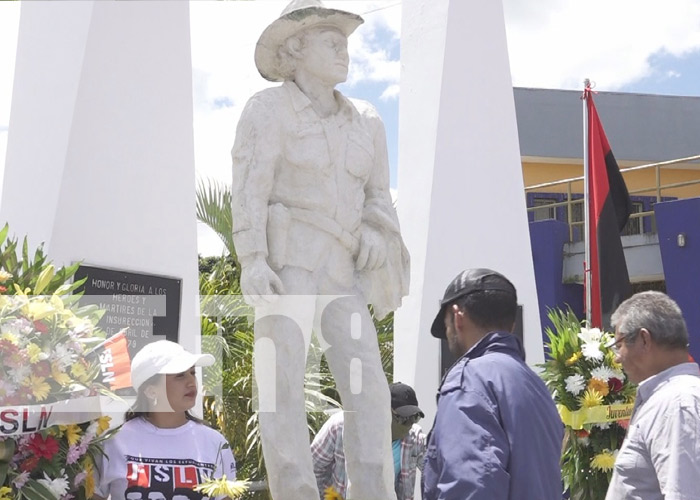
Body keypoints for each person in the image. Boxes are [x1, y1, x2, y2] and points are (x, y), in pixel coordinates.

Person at [231, 0, 409, 498]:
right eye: (330, 41)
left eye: (346, 42)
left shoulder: (367, 120)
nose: (344, 51)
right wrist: (253, 259)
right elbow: (249, 187)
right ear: (295, 48)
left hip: (343, 268)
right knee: (282, 386)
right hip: (288, 264)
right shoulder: (267, 111)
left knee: (369, 390)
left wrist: (376, 234)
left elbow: (378, 197)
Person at [422, 268, 563, 500]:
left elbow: (470, 485)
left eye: (446, 326)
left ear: (457, 318)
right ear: (512, 325)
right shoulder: (536, 385)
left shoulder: (468, 380)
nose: (447, 335)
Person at [95, 340, 236, 500]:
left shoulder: (215, 443)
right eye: (180, 376)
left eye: (192, 373)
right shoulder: (113, 442)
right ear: (151, 391)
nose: (191, 382)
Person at [605, 291, 700, 499]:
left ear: (644, 340)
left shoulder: (677, 404)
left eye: (618, 345)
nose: (617, 358)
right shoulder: (675, 399)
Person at [311, 382, 427, 500]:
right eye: (404, 419)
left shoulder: (414, 439)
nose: (410, 424)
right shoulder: (341, 427)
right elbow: (314, 468)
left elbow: (437, 471)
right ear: (384, 412)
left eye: (415, 418)